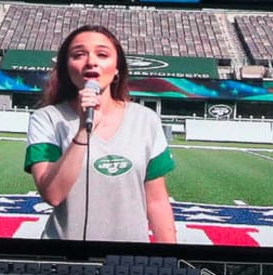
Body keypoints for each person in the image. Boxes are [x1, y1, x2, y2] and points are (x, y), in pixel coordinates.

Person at [24, 24, 176, 244]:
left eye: (102, 54)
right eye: (78, 55)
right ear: (67, 68)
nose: (91, 62)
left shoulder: (146, 119)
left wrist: (171, 259)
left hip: (130, 261)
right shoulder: (46, 119)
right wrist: (83, 133)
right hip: (62, 258)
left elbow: (157, 201)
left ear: (117, 69)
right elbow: (53, 195)